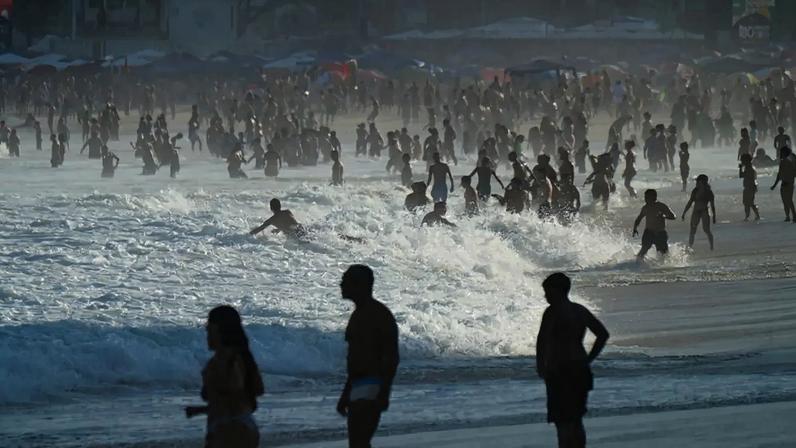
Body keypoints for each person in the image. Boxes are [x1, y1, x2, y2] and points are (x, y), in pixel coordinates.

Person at [536, 273, 609, 448]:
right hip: (580, 369)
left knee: (562, 422)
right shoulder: (579, 310)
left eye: (548, 291)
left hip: (560, 371)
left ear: (559, 291)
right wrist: (589, 359)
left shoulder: (552, 312)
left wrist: (541, 365)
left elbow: (542, 340)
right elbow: (603, 334)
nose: (546, 296)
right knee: (576, 420)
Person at [336, 265, 399, 448]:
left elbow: (391, 357)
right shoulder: (359, 314)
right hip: (360, 385)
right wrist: (346, 393)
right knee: (358, 443)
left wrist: (384, 391)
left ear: (359, 285)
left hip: (372, 386)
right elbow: (355, 358)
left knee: (359, 443)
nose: (341, 284)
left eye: (345, 280)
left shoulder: (378, 315)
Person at [185, 306, 264, 448]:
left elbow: (234, 391)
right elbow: (255, 390)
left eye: (210, 326)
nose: (206, 330)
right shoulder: (240, 356)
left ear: (219, 329)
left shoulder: (227, 359)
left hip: (231, 430)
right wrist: (201, 410)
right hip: (238, 425)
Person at [632, 189, 676, 262]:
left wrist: (664, 216)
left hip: (660, 233)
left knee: (664, 255)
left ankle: (663, 270)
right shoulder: (645, 208)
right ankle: (637, 266)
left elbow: (673, 216)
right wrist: (635, 228)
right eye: (645, 197)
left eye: (647, 197)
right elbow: (638, 219)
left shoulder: (661, 206)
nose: (645, 199)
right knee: (643, 251)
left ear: (654, 197)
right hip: (649, 232)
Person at [682, 174, 716, 250]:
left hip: (704, 211)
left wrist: (714, 216)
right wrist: (684, 212)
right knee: (692, 230)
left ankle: (712, 247)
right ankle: (690, 247)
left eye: (698, 181)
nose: (696, 182)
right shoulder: (695, 190)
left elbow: (712, 205)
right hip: (696, 211)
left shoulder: (708, 192)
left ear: (702, 181)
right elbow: (690, 202)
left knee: (706, 229)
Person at [770, 146, 796, 221]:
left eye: (781, 152)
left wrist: (774, 185)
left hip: (787, 183)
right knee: (787, 200)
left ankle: (791, 216)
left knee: (787, 200)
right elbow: (781, 174)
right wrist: (775, 185)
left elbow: (781, 174)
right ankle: (790, 216)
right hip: (788, 183)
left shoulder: (786, 161)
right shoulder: (788, 161)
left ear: (784, 153)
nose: (780, 153)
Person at [739, 153, 761, 221]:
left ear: (746, 160)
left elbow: (741, 176)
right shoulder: (749, 167)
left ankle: (751, 216)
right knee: (748, 202)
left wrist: (740, 168)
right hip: (750, 187)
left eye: (742, 160)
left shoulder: (749, 168)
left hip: (750, 187)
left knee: (749, 202)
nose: (741, 162)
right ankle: (750, 216)